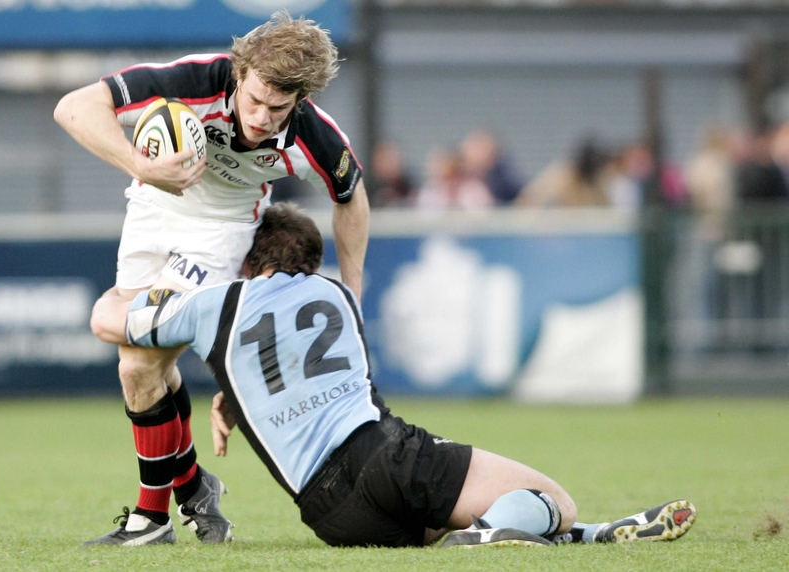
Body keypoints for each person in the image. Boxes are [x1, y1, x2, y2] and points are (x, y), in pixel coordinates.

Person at [92, 202, 697, 548]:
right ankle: (500, 539)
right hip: (381, 459)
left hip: (329, 516)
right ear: (312, 261)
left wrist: (149, 291)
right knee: (550, 499)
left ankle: (589, 539)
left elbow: (108, 323)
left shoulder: (213, 305)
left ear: (249, 262)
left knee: (451, 517)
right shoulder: (340, 298)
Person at [53, 11, 370, 545]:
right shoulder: (194, 80)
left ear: (300, 100)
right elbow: (74, 107)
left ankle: (150, 520)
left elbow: (352, 199)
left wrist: (352, 293)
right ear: (239, 73)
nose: (263, 118)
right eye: (254, 101)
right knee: (148, 370)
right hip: (151, 207)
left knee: (136, 363)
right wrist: (141, 163)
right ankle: (195, 487)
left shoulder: (313, 134)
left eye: (279, 108)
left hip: (220, 234)